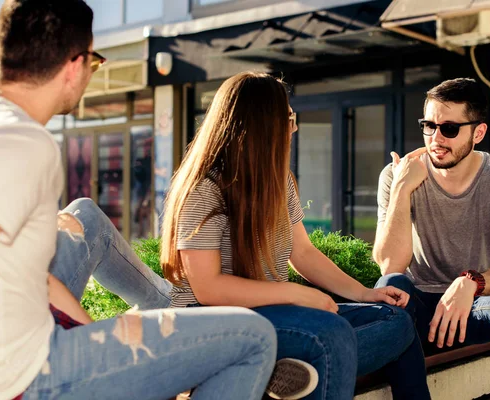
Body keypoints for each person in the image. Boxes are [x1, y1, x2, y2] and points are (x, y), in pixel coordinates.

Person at [0, 2, 279, 399]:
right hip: (25, 376)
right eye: (94, 63)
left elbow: (37, 277)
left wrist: (116, 354)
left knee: (82, 216)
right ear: (75, 64)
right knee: (251, 336)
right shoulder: (20, 142)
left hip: (34, 352)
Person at [157, 71, 432, 400]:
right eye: (288, 117)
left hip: (273, 314)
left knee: (395, 321)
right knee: (330, 336)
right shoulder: (205, 190)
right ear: (261, 124)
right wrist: (296, 295)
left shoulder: (278, 180)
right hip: (216, 324)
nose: (294, 126)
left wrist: (363, 294)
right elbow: (208, 288)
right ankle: (268, 364)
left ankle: (279, 367)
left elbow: (302, 252)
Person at [373, 78, 490, 399]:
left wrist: (469, 283)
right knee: (393, 287)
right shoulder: (397, 174)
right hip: (418, 315)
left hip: (470, 312)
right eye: (429, 126)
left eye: (449, 129)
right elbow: (391, 265)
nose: (436, 138)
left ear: (478, 133)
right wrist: (403, 189)